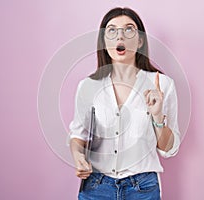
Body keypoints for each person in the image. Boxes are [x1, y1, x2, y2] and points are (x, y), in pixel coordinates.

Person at [69, 7, 181, 200]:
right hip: (96, 187)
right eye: (111, 30)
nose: (120, 36)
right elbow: (78, 136)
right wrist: (78, 157)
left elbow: (168, 149)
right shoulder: (88, 86)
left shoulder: (162, 84)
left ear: (139, 41)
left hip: (143, 188)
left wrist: (157, 116)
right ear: (104, 41)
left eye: (129, 29)